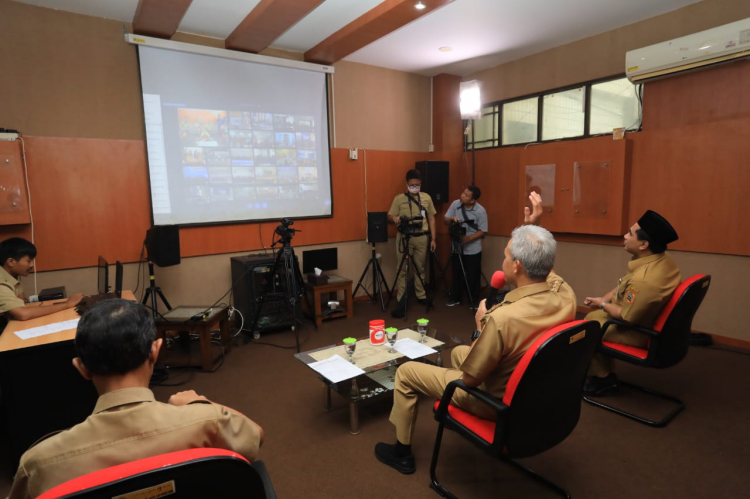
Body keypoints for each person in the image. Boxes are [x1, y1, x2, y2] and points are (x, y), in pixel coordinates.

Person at [8, 299, 264, 498]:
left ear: (81, 368)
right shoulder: (207, 421)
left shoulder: (37, 464)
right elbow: (256, 436)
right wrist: (199, 403)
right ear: (155, 351)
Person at [375, 222, 576, 474]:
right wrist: (534, 220)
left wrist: (481, 324)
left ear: (517, 266)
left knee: (406, 372)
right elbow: (549, 267)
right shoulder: (565, 294)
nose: (502, 261)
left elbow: (470, 379)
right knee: (459, 353)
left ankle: (401, 452)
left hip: (497, 401)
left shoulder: (502, 319)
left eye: (505, 255)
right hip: (535, 390)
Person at [582, 210, 681, 395]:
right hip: (654, 322)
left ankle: (603, 381)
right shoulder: (660, 260)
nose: (624, 236)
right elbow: (624, 284)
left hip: (640, 331)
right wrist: (604, 299)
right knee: (594, 318)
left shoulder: (644, 280)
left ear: (643, 244)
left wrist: (602, 305)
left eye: (629, 233)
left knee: (589, 326)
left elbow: (626, 317)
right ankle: (605, 372)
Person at [388, 169, 437, 318]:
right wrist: (395, 219)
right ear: (407, 184)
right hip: (404, 237)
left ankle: (421, 295)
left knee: (420, 267)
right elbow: (390, 215)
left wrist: (433, 238)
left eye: (417, 185)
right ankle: (402, 298)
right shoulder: (399, 198)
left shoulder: (427, 198)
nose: (415, 187)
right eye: (412, 185)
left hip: (422, 237)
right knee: (402, 269)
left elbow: (432, 219)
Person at [0, 237, 83, 322]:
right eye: (29, 261)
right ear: (11, 262)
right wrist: (67, 304)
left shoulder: (11, 275)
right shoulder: (1, 283)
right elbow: (23, 314)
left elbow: (21, 302)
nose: (32, 265)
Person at [444, 185, 488, 309]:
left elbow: (483, 231)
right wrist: (452, 218)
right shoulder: (455, 204)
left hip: (473, 248)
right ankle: (455, 297)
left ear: (473, 200)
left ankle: (474, 301)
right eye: (463, 193)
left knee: (473, 275)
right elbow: (445, 219)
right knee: (456, 273)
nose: (462, 196)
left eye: (466, 195)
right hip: (457, 246)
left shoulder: (480, 211)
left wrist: (468, 239)